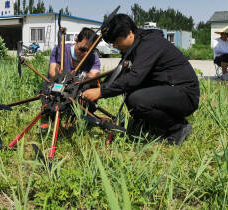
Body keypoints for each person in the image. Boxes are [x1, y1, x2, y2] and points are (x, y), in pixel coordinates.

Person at [82, 14, 199, 145]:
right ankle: (150, 124)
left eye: (116, 41)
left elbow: (133, 78)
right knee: (130, 92)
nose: (115, 46)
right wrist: (98, 86)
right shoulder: (135, 45)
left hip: (185, 93)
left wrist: (101, 92)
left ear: (130, 33)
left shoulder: (149, 44)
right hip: (169, 89)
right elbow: (120, 74)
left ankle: (177, 128)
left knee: (136, 99)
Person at [40, 27, 101, 133]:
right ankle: (48, 116)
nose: (85, 54)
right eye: (82, 49)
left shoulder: (93, 58)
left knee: (93, 86)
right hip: (60, 88)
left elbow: (95, 76)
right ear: (76, 40)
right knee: (49, 84)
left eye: (90, 51)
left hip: (78, 91)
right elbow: (52, 73)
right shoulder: (60, 49)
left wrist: (87, 77)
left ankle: (83, 118)